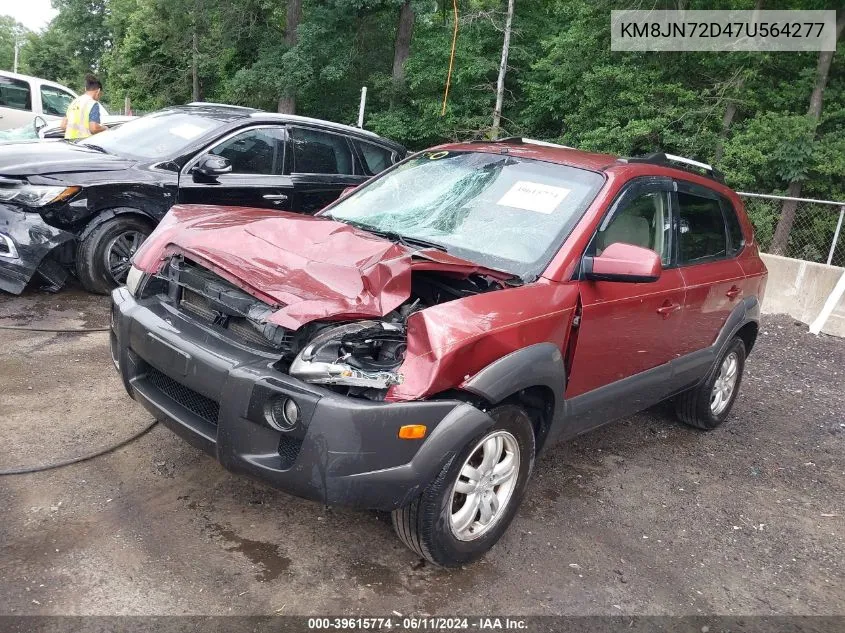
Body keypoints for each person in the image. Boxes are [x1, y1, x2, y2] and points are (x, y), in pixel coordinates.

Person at [62, 74, 106, 140]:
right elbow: (94, 128)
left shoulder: (74, 102)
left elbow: (63, 125)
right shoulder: (92, 103)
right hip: (84, 143)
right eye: (101, 94)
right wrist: (105, 128)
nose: (99, 97)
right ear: (98, 91)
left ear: (85, 89)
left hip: (69, 143)